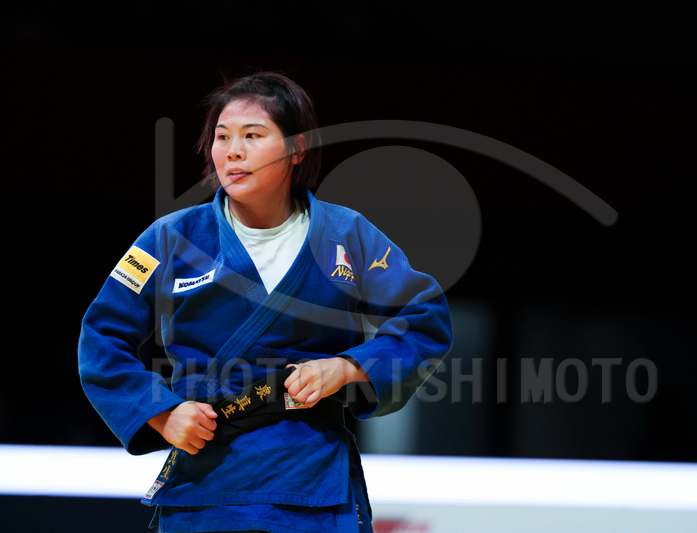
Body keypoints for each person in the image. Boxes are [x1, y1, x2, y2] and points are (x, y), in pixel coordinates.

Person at [78, 71, 453, 533]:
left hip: (313, 478)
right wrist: (161, 412)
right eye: (222, 137)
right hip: (207, 477)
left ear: (296, 149)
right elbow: (101, 337)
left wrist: (348, 368)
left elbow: (424, 318)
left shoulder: (345, 234)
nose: (232, 151)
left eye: (252, 136)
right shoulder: (172, 237)